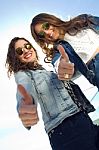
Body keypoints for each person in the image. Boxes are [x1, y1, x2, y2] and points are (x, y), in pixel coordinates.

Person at [6, 37, 99, 150]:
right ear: (16, 58)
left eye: (27, 46)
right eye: (19, 51)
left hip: (81, 120)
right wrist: (25, 103)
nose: (26, 50)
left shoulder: (44, 71)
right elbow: (24, 87)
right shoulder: (24, 74)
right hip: (66, 130)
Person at [30, 13, 99, 90]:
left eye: (46, 26)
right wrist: (63, 70)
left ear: (52, 21)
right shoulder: (57, 53)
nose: (48, 33)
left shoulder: (81, 20)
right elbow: (61, 70)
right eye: (42, 34)